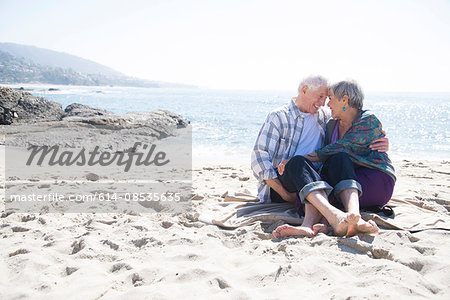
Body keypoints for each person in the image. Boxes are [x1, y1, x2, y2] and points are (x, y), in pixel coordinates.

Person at [251, 76, 389, 237]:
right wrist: (284, 194)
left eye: (327, 98)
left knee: (340, 157)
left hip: (315, 179)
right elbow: (258, 159)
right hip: (283, 181)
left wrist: (381, 138)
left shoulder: (324, 117)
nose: (324, 103)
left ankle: (334, 221)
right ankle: (333, 217)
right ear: (304, 90)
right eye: (321, 96)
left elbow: (349, 131)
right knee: (299, 162)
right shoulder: (279, 117)